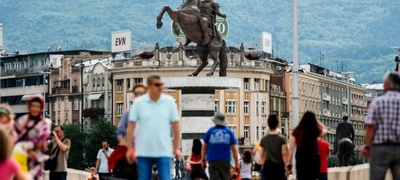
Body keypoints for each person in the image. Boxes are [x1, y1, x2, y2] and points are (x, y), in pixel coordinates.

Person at [126, 75, 183, 180]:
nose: (160, 87)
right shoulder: (139, 103)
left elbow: (176, 125)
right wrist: (129, 149)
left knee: (166, 178)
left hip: (163, 150)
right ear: (149, 87)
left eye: (162, 84)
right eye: (157, 85)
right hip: (144, 150)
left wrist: (176, 148)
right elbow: (131, 127)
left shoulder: (169, 102)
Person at [361, 73, 400, 180]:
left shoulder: (377, 102)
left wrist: (367, 146)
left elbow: (370, 127)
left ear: (388, 84)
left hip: (380, 149)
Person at [14, 94, 51, 180]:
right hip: (19, 159)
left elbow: (40, 141)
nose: (35, 109)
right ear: (29, 106)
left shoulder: (45, 123)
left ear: (41, 108)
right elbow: (15, 135)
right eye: (33, 106)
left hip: (35, 161)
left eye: (37, 106)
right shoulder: (22, 120)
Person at [288, 111, 327, 180]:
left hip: (301, 158)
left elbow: (291, 148)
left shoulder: (296, 131)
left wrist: (289, 162)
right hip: (314, 157)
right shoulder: (314, 130)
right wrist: (317, 121)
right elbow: (325, 129)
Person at [201, 112, 239, 180]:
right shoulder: (229, 132)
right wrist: (236, 164)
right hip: (225, 161)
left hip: (213, 161)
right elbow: (234, 150)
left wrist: (203, 160)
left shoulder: (210, 131)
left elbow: (204, 148)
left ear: (215, 121)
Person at [259, 114, 289, 180]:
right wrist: (287, 165)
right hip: (279, 166)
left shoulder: (264, 139)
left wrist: (262, 165)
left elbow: (261, 155)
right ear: (277, 124)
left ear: (268, 124)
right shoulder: (282, 139)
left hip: (268, 166)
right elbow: (284, 153)